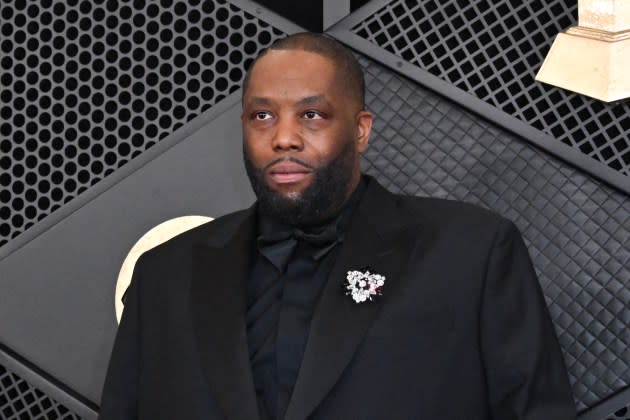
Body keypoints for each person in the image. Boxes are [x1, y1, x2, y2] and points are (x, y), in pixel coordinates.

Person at [99, 32, 576, 419]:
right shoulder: (165, 274)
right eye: (262, 116)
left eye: (312, 115)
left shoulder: (472, 254)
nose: (284, 137)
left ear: (361, 129)